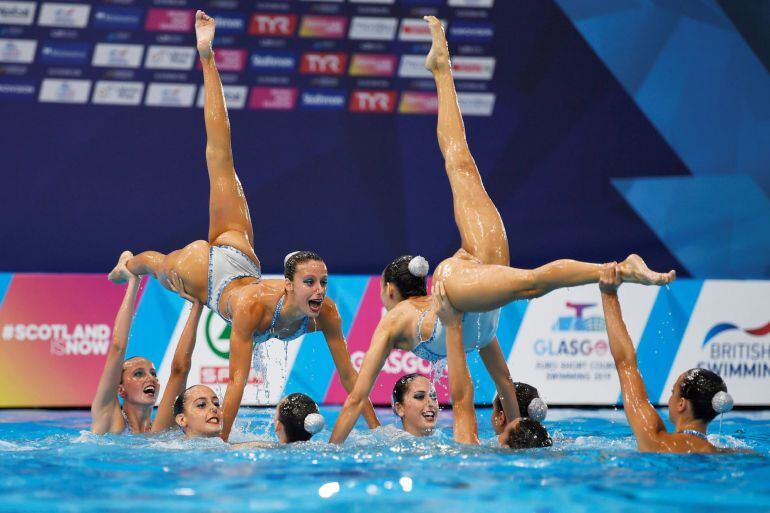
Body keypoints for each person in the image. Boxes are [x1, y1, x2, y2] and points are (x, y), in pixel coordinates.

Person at [328, 17, 674, 444]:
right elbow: (505, 382)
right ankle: (441, 69)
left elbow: (355, 397)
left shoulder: (399, 317)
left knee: (529, 284)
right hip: (476, 287)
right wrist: (521, 437)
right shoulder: (479, 332)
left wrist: (333, 451)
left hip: (458, 283)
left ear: (392, 292)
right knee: (461, 165)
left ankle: (617, 268)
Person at [106, 11, 378, 440]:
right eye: (311, 282)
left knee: (222, 161)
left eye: (323, 282)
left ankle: (207, 58)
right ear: (288, 284)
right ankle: (128, 266)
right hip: (212, 275)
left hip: (239, 259)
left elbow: (352, 381)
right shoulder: (253, 310)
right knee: (158, 260)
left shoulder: (325, 313)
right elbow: (236, 383)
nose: (320, 290)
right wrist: (222, 443)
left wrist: (377, 432)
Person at [599, 264, 734, 453]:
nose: (670, 399)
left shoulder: (657, 441)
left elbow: (625, 364)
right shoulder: (723, 452)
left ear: (681, 404)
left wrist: (608, 293)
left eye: (673, 392)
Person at [435, 281, 552, 448]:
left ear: (502, 417)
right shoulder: (531, 441)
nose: (499, 437)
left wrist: (453, 325)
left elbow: (463, 399)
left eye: (503, 435)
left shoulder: (474, 452)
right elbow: (502, 381)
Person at [91, 265, 202, 435]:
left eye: (153, 374)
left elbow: (180, 370)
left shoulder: (160, 429)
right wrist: (133, 281)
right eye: (138, 374)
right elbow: (117, 347)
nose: (150, 378)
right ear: (120, 389)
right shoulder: (109, 418)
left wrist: (197, 304)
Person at [173, 386, 324, 447]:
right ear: (181, 419)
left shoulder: (234, 445)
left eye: (217, 403)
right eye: (201, 405)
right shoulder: (171, 449)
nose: (214, 408)